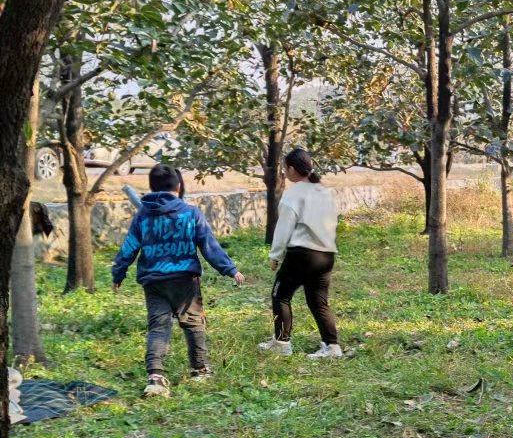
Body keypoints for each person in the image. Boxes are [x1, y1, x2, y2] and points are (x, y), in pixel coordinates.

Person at [112, 164, 244, 398]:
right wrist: (230, 269)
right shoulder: (191, 213)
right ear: (179, 187)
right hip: (185, 280)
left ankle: (155, 377)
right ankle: (199, 369)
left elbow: (129, 246)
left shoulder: (143, 215)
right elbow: (208, 245)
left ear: (151, 188)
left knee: (158, 327)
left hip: (154, 281)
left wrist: (118, 274)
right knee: (193, 323)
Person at [260, 148, 342, 359]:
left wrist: (275, 255)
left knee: (281, 295)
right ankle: (332, 346)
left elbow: (283, 228)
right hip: (326, 254)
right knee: (318, 301)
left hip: (302, 254)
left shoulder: (293, 194)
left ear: (293, 169)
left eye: (285, 168)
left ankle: (281, 342)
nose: (284, 172)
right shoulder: (325, 192)